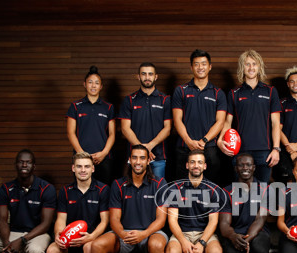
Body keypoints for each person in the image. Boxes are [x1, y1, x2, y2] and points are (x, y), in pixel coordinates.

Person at [219, 153, 270, 253]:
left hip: (258, 232)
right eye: (241, 165)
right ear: (236, 168)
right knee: (230, 252)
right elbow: (224, 224)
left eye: (249, 165)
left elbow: (261, 218)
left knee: (260, 250)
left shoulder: (264, 189)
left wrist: (247, 240)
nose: (245, 168)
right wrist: (234, 237)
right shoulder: (227, 191)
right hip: (235, 232)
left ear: (254, 167)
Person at [220, 49, 281, 183]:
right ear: (242, 67)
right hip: (240, 150)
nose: (251, 67)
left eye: (254, 64)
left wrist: (276, 148)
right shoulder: (234, 93)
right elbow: (227, 122)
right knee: (241, 192)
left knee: (262, 192)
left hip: (264, 151)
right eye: (247, 64)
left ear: (259, 67)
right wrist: (221, 141)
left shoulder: (271, 91)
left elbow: (276, 123)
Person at [172, 49, 227, 184]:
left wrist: (204, 140)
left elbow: (220, 122)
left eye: (203, 64)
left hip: (210, 148)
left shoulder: (218, 93)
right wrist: (188, 140)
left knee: (211, 186)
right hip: (184, 146)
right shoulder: (181, 91)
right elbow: (177, 119)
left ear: (209, 66)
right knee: (182, 187)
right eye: (196, 64)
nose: (200, 67)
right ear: (191, 67)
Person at [120, 62, 172, 180]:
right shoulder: (129, 100)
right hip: (134, 158)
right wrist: (141, 150)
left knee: (158, 193)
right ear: (138, 76)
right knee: (131, 192)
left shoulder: (165, 99)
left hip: (158, 156)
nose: (147, 77)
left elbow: (168, 128)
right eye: (143, 74)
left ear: (155, 77)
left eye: (150, 74)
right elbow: (125, 128)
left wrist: (149, 147)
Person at [66, 65, 116, 184]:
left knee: (104, 191)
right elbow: (70, 133)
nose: (93, 86)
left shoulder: (108, 107)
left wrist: (103, 153)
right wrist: (82, 155)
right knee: (81, 191)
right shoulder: (75, 106)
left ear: (101, 86)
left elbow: (112, 134)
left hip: (103, 159)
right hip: (81, 159)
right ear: (84, 84)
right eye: (90, 82)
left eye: (97, 83)